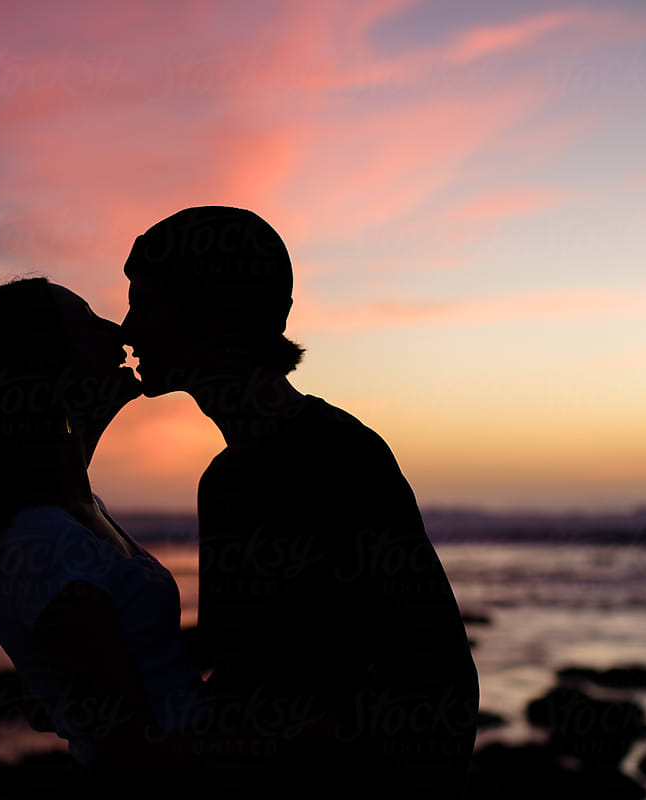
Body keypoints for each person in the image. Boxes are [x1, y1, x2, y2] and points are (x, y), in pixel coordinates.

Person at [121, 206, 480, 797]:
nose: (128, 328)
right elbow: (247, 667)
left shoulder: (332, 454)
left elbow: (435, 683)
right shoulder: (232, 475)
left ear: (212, 312)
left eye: (146, 303)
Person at [0, 277, 205, 794]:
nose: (117, 335)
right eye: (87, 324)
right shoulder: (42, 544)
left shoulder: (77, 509)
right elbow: (128, 749)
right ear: (44, 366)